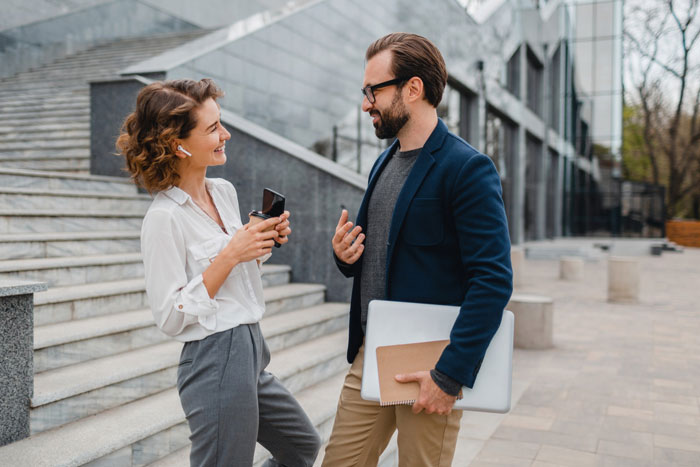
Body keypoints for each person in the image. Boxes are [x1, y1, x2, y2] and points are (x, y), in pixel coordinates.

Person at [322, 33, 513, 466]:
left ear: (413, 89)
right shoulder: (383, 162)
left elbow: (493, 280)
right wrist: (345, 254)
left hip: (432, 363)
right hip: (370, 353)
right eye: (364, 92)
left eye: (374, 90)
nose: (366, 103)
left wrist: (450, 375)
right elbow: (387, 254)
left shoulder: (467, 169)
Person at [117, 78, 320, 467]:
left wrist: (262, 243)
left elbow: (234, 275)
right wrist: (229, 255)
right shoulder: (163, 219)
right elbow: (170, 316)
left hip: (251, 349)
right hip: (213, 357)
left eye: (220, 123)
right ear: (177, 144)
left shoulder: (223, 191)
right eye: (212, 128)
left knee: (302, 445)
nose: (225, 134)